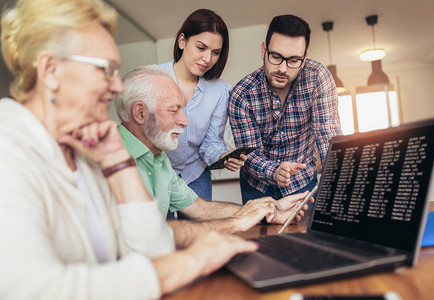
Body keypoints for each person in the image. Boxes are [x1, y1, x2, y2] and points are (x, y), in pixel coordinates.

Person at [0, 1, 257, 298]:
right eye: (105, 69)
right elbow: (31, 290)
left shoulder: (85, 157)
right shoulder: (8, 148)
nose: (118, 87)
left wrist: (119, 164)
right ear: (50, 69)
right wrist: (193, 260)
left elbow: (152, 248)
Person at [114, 65, 312, 230]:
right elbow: (147, 237)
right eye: (174, 111)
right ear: (140, 113)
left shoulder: (160, 159)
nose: (184, 121)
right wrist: (238, 222)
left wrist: (271, 208)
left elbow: (199, 208)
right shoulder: (105, 161)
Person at [228, 14, 342, 204]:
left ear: (305, 58)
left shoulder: (318, 78)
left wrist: (339, 181)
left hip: (303, 182)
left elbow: (327, 135)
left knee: (305, 234)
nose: (283, 69)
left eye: (293, 60)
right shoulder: (241, 94)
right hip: (257, 188)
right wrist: (275, 171)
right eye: (276, 56)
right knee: (261, 234)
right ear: (264, 49)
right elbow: (250, 153)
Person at [158, 9, 245, 202]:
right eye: (201, 48)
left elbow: (211, 143)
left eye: (216, 52)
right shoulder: (153, 78)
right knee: (162, 231)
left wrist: (224, 156)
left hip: (195, 175)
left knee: (200, 230)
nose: (208, 59)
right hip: (156, 173)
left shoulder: (220, 91)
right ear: (182, 41)